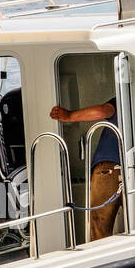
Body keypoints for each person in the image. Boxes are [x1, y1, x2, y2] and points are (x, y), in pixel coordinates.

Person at [50, 98, 123, 241]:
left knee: (99, 225)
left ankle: (100, 260)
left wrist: (69, 116)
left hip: (108, 168)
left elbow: (102, 111)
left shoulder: (120, 99)